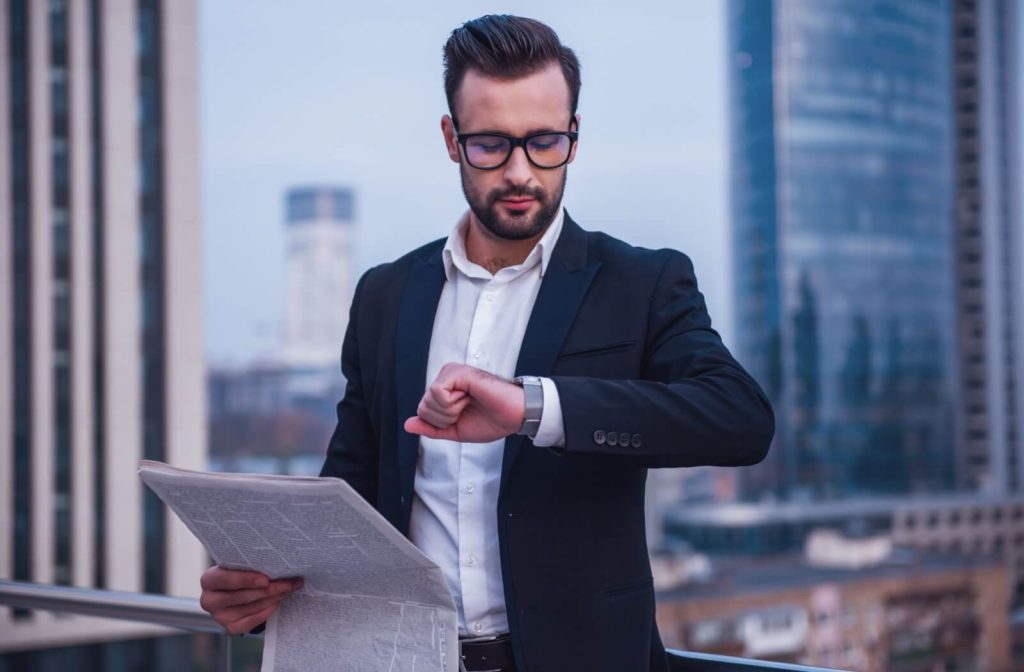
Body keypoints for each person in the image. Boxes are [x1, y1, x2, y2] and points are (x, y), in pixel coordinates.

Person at [199, 15, 774, 672]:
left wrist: (534, 408)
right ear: (452, 138)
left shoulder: (642, 283)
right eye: (492, 145)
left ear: (575, 137)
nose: (521, 172)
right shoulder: (385, 295)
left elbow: (740, 420)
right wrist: (259, 585)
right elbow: (351, 495)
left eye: (545, 142)